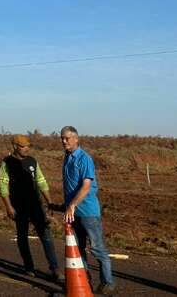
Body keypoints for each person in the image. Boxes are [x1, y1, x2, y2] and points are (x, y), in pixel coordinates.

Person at [57, 126, 115, 295]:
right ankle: (83, 279)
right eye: (62, 138)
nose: (64, 141)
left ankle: (108, 282)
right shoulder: (67, 158)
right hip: (73, 212)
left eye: (67, 138)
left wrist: (72, 204)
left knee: (97, 248)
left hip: (88, 212)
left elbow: (86, 186)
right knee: (78, 248)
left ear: (76, 139)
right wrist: (67, 205)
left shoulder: (84, 158)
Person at [0, 135, 61, 281]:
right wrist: (8, 207)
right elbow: (2, 184)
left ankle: (55, 268)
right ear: (14, 146)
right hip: (19, 206)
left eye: (28, 146)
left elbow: (41, 180)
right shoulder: (7, 163)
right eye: (23, 146)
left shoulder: (32, 161)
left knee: (46, 235)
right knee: (22, 237)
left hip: (36, 205)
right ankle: (28, 267)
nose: (26, 149)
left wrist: (49, 202)